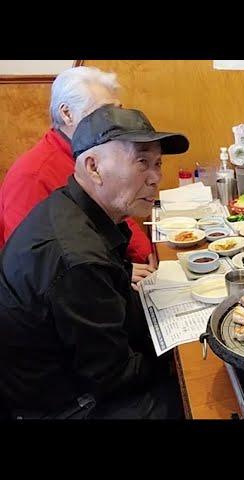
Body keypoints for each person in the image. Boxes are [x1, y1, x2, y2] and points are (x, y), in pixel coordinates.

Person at [0, 105, 189, 419]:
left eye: (158, 163)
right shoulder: (77, 257)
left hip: (74, 375)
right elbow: (114, 377)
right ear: (93, 167)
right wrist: (180, 352)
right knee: (203, 394)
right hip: (64, 405)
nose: (156, 178)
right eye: (142, 162)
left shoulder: (75, 206)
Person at [0, 66, 156, 285]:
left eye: (117, 110)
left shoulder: (98, 153)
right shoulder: (33, 175)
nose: (115, 121)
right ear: (67, 114)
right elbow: (33, 264)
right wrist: (119, 272)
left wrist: (144, 252)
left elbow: (115, 208)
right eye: (104, 113)